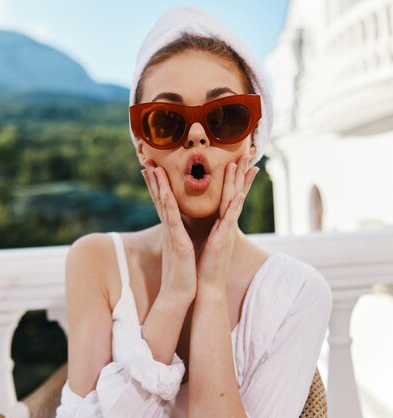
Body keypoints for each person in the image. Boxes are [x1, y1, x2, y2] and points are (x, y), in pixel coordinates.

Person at [56, 7, 332, 418]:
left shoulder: (297, 293)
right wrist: (174, 295)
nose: (198, 134)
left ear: (252, 142)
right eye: (166, 122)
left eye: (225, 117)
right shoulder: (96, 262)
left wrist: (212, 291)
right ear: (142, 146)